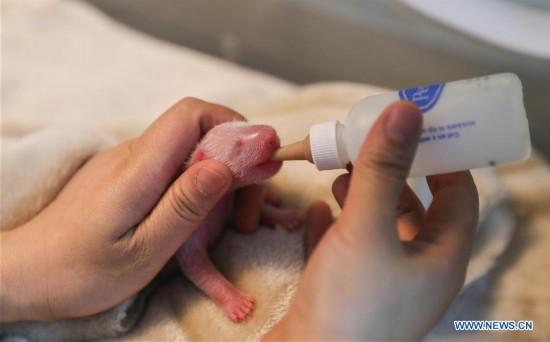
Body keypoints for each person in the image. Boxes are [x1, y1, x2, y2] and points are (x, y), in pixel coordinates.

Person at [0, 98, 478, 340]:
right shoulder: (185, 212)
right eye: (242, 146)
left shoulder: (227, 189)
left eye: (249, 135)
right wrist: (226, 295)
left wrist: (270, 210)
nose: (261, 139)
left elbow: (244, 204)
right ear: (204, 163)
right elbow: (193, 261)